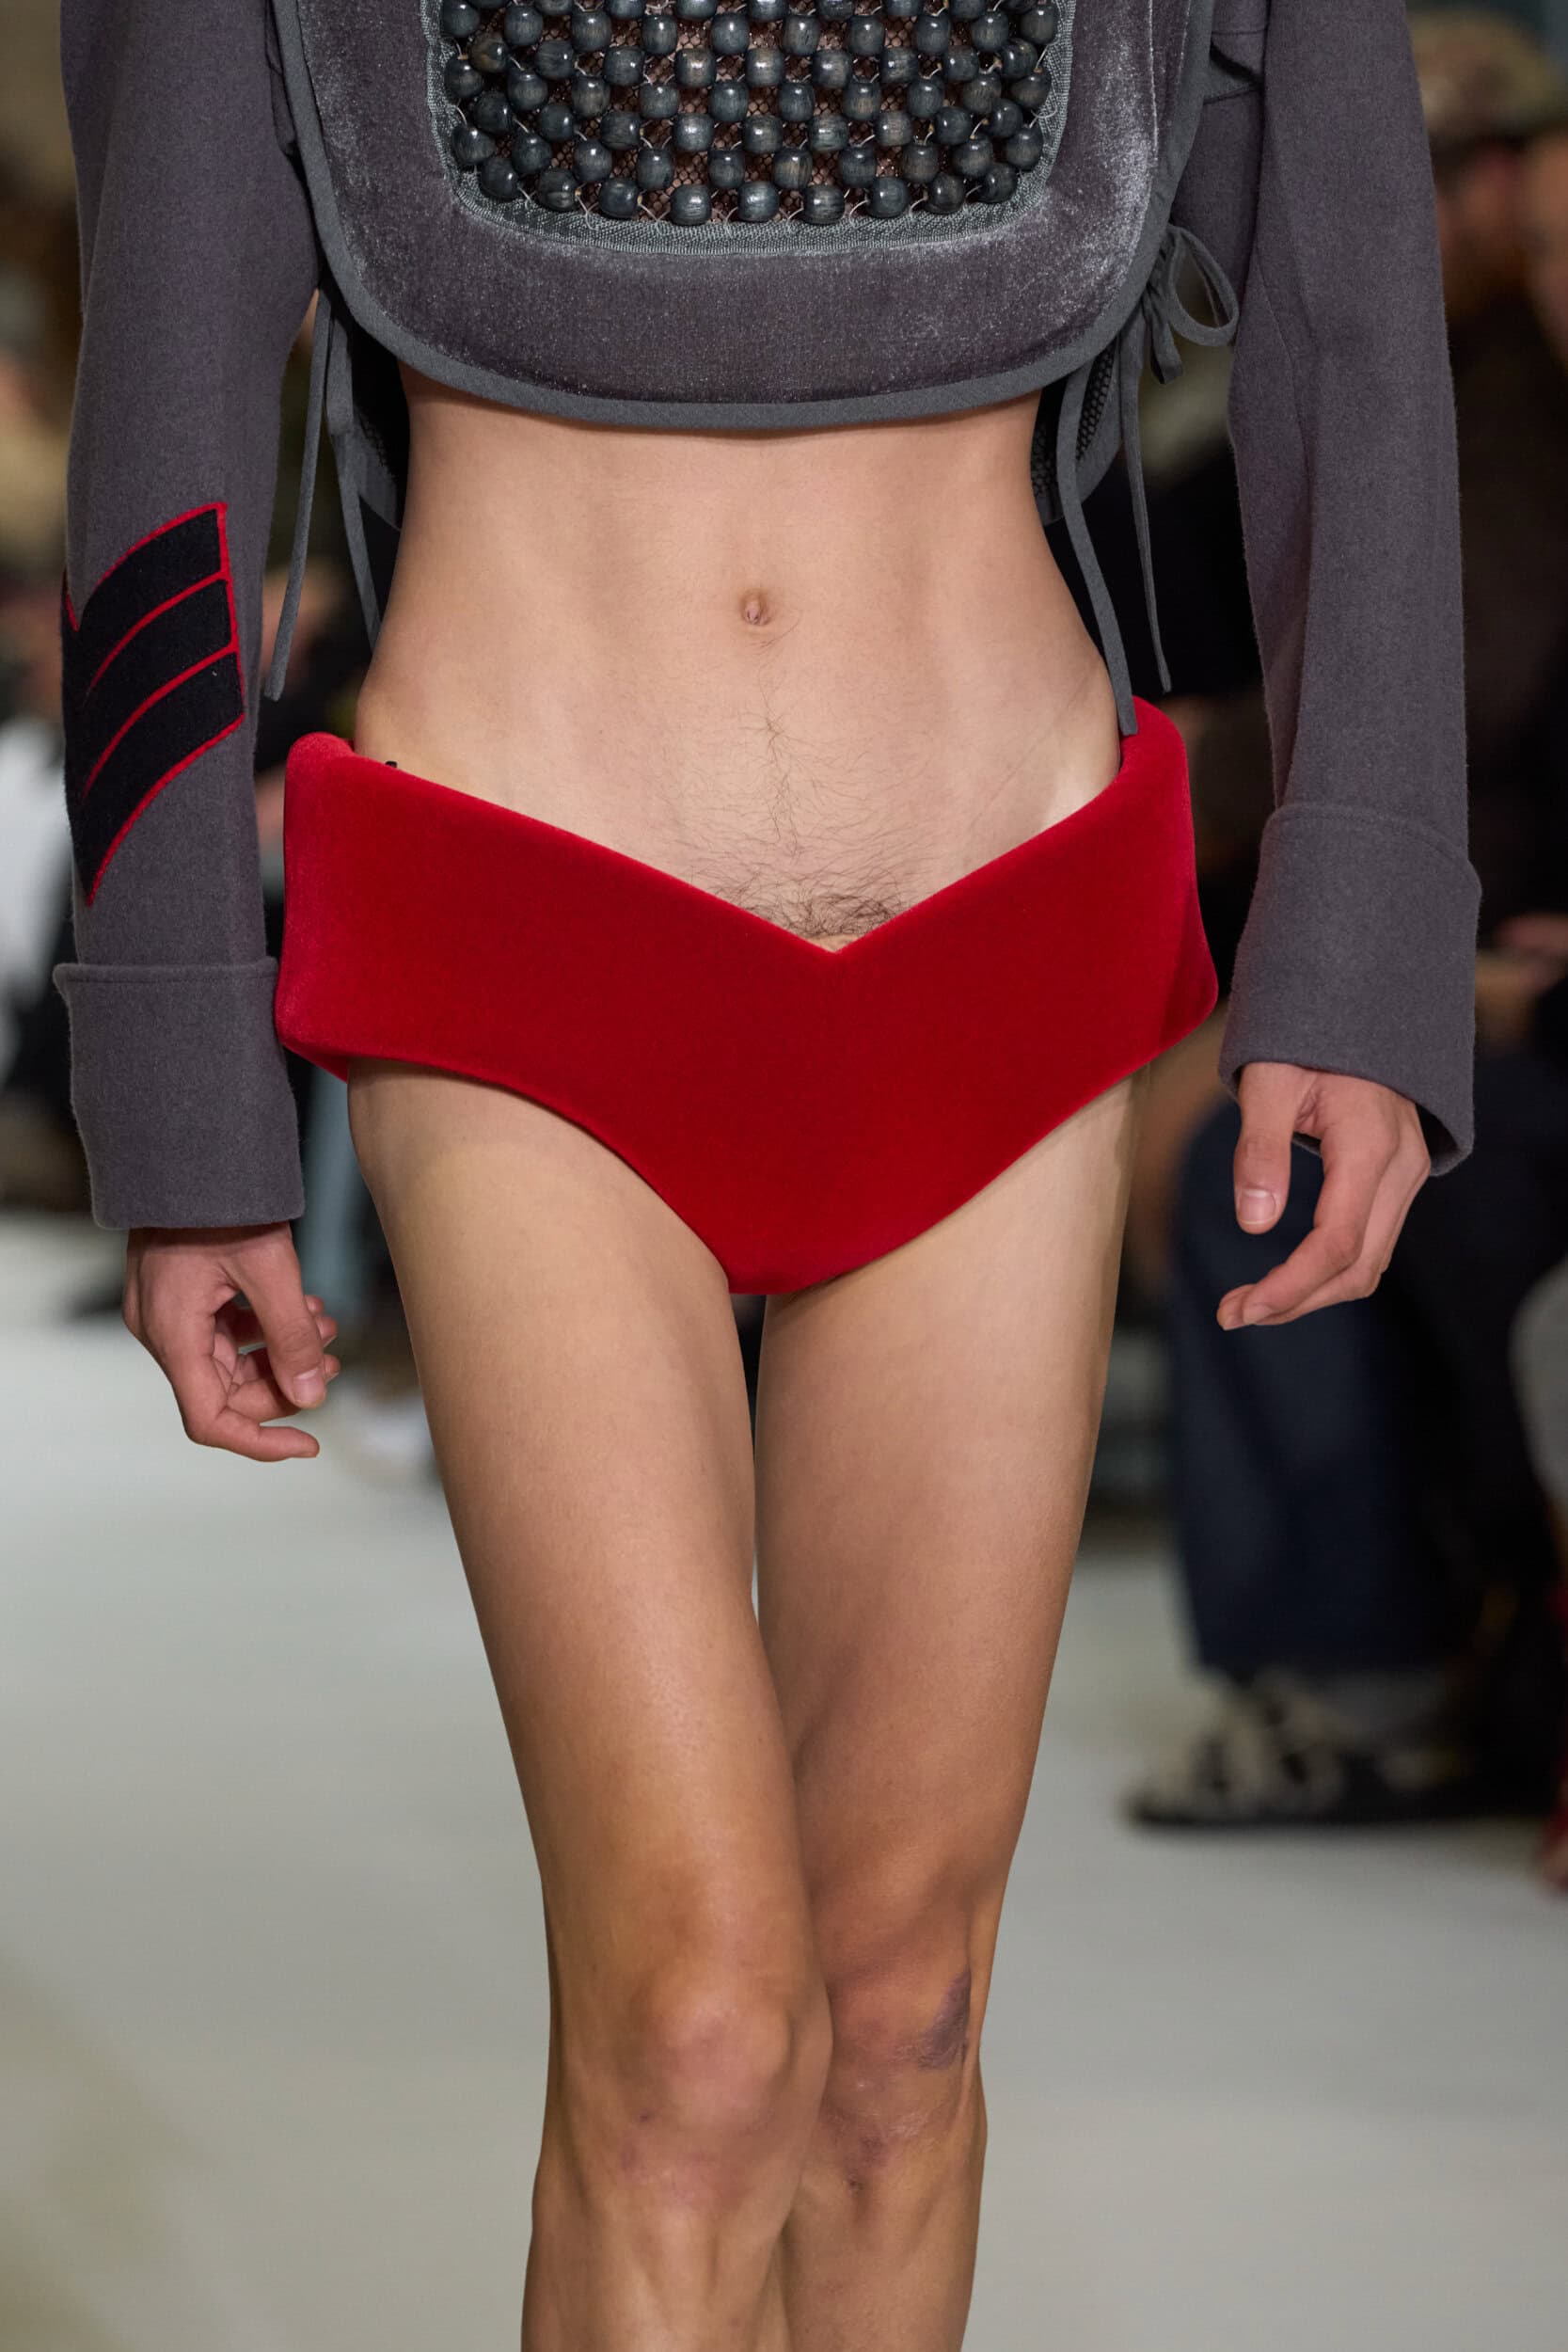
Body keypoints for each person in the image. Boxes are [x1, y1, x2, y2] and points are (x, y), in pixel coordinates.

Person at [55, 1, 1473, 2342]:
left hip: (1010, 913)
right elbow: (168, 386)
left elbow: (1350, 285)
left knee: (901, 2021)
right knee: (701, 2030)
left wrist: (1364, 941)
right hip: (523, 929)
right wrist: (181, 1078)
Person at [1129, 11, 1568, 1835]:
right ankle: (1368, 1657)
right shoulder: (1482, 408)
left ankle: (1387, 1668)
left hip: (1505, 972)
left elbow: (1445, 715)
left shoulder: (1489, 422)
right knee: (1254, 1144)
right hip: (1467, 939)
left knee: (1290, 1154)